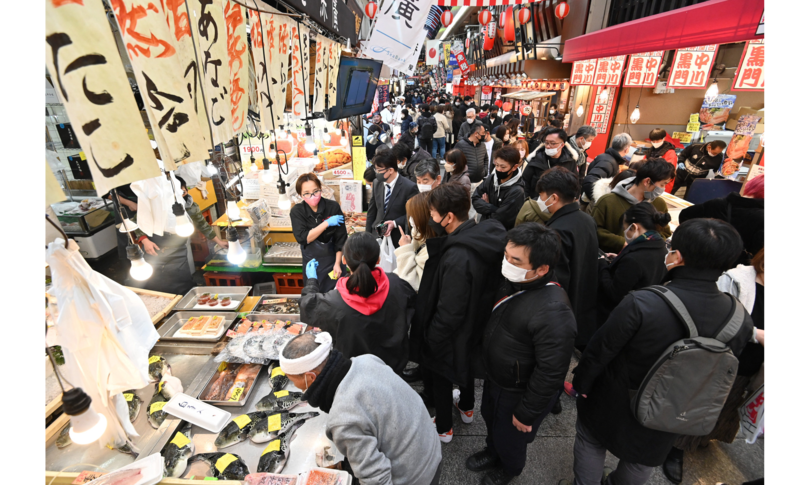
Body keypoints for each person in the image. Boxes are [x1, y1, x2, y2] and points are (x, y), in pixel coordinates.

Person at [559, 218, 754, 485]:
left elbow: (600, 350)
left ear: (678, 256)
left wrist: (582, 383)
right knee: (643, 459)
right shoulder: (739, 317)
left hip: (615, 398)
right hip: (675, 406)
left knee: (591, 441)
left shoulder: (643, 302)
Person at [469, 223, 576, 485]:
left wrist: (527, 412)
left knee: (511, 436)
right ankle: (492, 451)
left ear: (541, 269)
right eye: (506, 256)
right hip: (498, 378)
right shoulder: (518, 283)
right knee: (491, 420)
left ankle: (509, 468)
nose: (507, 263)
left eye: (516, 260)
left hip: (518, 391)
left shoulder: (554, 310)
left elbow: (551, 371)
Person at [663, 245, 767, 484]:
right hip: (724, 358)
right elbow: (720, 316)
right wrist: (756, 334)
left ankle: (701, 438)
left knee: (728, 406)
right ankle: (676, 448)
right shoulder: (735, 280)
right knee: (700, 403)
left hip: (753, 368)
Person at [280, 332, 443, 485]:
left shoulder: (343, 419)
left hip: (418, 475)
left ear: (310, 377)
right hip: (430, 445)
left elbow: (377, 480)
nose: (295, 386)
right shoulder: (365, 360)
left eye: (293, 380)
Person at [411, 184, 507, 443]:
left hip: (454, 328)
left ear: (449, 217)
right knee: (467, 363)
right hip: (478, 319)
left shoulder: (457, 255)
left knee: (442, 373)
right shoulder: (482, 234)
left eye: (433, 213)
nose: (431, 217)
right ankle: (466, 408)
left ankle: (443, 428)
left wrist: (431, 337)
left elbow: (449, 310)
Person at [300, 232, 415, 373]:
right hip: (393, 366)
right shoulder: (398, 285)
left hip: (353, 372)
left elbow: (308, 307)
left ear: (344, 261)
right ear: (378, 259)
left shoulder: (333, 302)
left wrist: (312, 281)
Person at [533, 167, 599, 349]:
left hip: (564, 305)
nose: (539, 200)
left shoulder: (557, 230)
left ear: (553, 198)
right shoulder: (586, 220)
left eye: (541, 195)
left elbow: (557, 277)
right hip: (584, 300)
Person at [596, 203, 670, 327]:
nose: (624, 232)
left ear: (634, 227)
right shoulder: (661, 247)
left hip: (619, 319)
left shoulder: (634, 259)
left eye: (625, 228)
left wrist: (602, 264)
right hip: (646, 311)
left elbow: (613, 292)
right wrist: (618, 260)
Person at [592, 158, 674, 253]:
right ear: (647, 182)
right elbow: (594, 230)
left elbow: (665, 232)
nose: (663, 189)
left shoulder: (658, 203)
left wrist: (648, 242)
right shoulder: (607, 201)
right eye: (662, 184)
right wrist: (621, 242)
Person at [679, 174, 766, 263]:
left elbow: (685, 216)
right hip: (734, 270)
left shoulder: (718, 204)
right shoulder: (762, 218)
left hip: (701, 260)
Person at [290, 173, 348, 293]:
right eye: (306, 193)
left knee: (337, 295)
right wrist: (326, 223)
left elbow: (340, 238)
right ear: (300, 195)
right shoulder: (297, 211)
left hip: (333, 261)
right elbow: (303, 238)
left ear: (321, 189)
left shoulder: (333, 207)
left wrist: (337, 263)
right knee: (314, 296)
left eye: (316, 191)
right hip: (311, 263)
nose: (312, 196)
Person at [366, 150, 420, 248]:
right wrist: (367, 235)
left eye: (379, 170)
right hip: (377, 236)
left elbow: (412, 214)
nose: (377, 173)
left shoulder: (409, 187)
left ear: (390, 170)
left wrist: (394, 223)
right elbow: (372, 211)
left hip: (397, 238)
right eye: (376, 170)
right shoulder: (377, 183)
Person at [472, 147, 526, 231]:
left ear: (514, 167)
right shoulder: (491, 179)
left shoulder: (517, 191)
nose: (498, 169)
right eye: (496, 165)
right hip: (483, 228)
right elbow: (475, 199)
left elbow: (501, 219)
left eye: (503, 167)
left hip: (501, 234)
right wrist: (493, 208)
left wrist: (486, 207)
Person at [394, 191, 438, 292]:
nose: (410, 220)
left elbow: (412, 282)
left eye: (413, 216)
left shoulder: (431, 249)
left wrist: (405, 249)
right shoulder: (421, 236)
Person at [581, 133, 634, 208]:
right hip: (590, 205)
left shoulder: (609, 158)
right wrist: (600, 203)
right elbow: (589, 181)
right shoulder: (607, 162)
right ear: (626, 149)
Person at [523, 128, 577, 199]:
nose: (548, 146)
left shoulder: (570, 162)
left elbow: (574, 184)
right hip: (537, 203)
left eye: (553, 143)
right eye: (546, 143)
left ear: (562, 145)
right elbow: (524, 183)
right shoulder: (535, 160)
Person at [645, 128, 678, 193]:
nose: (655, 143)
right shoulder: (651, 151)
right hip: (650, 181)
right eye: (653, 141)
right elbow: (644, 163)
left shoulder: (670, 152)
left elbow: (668, 170)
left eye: (657, 141)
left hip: (663, 182)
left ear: (664, 138)